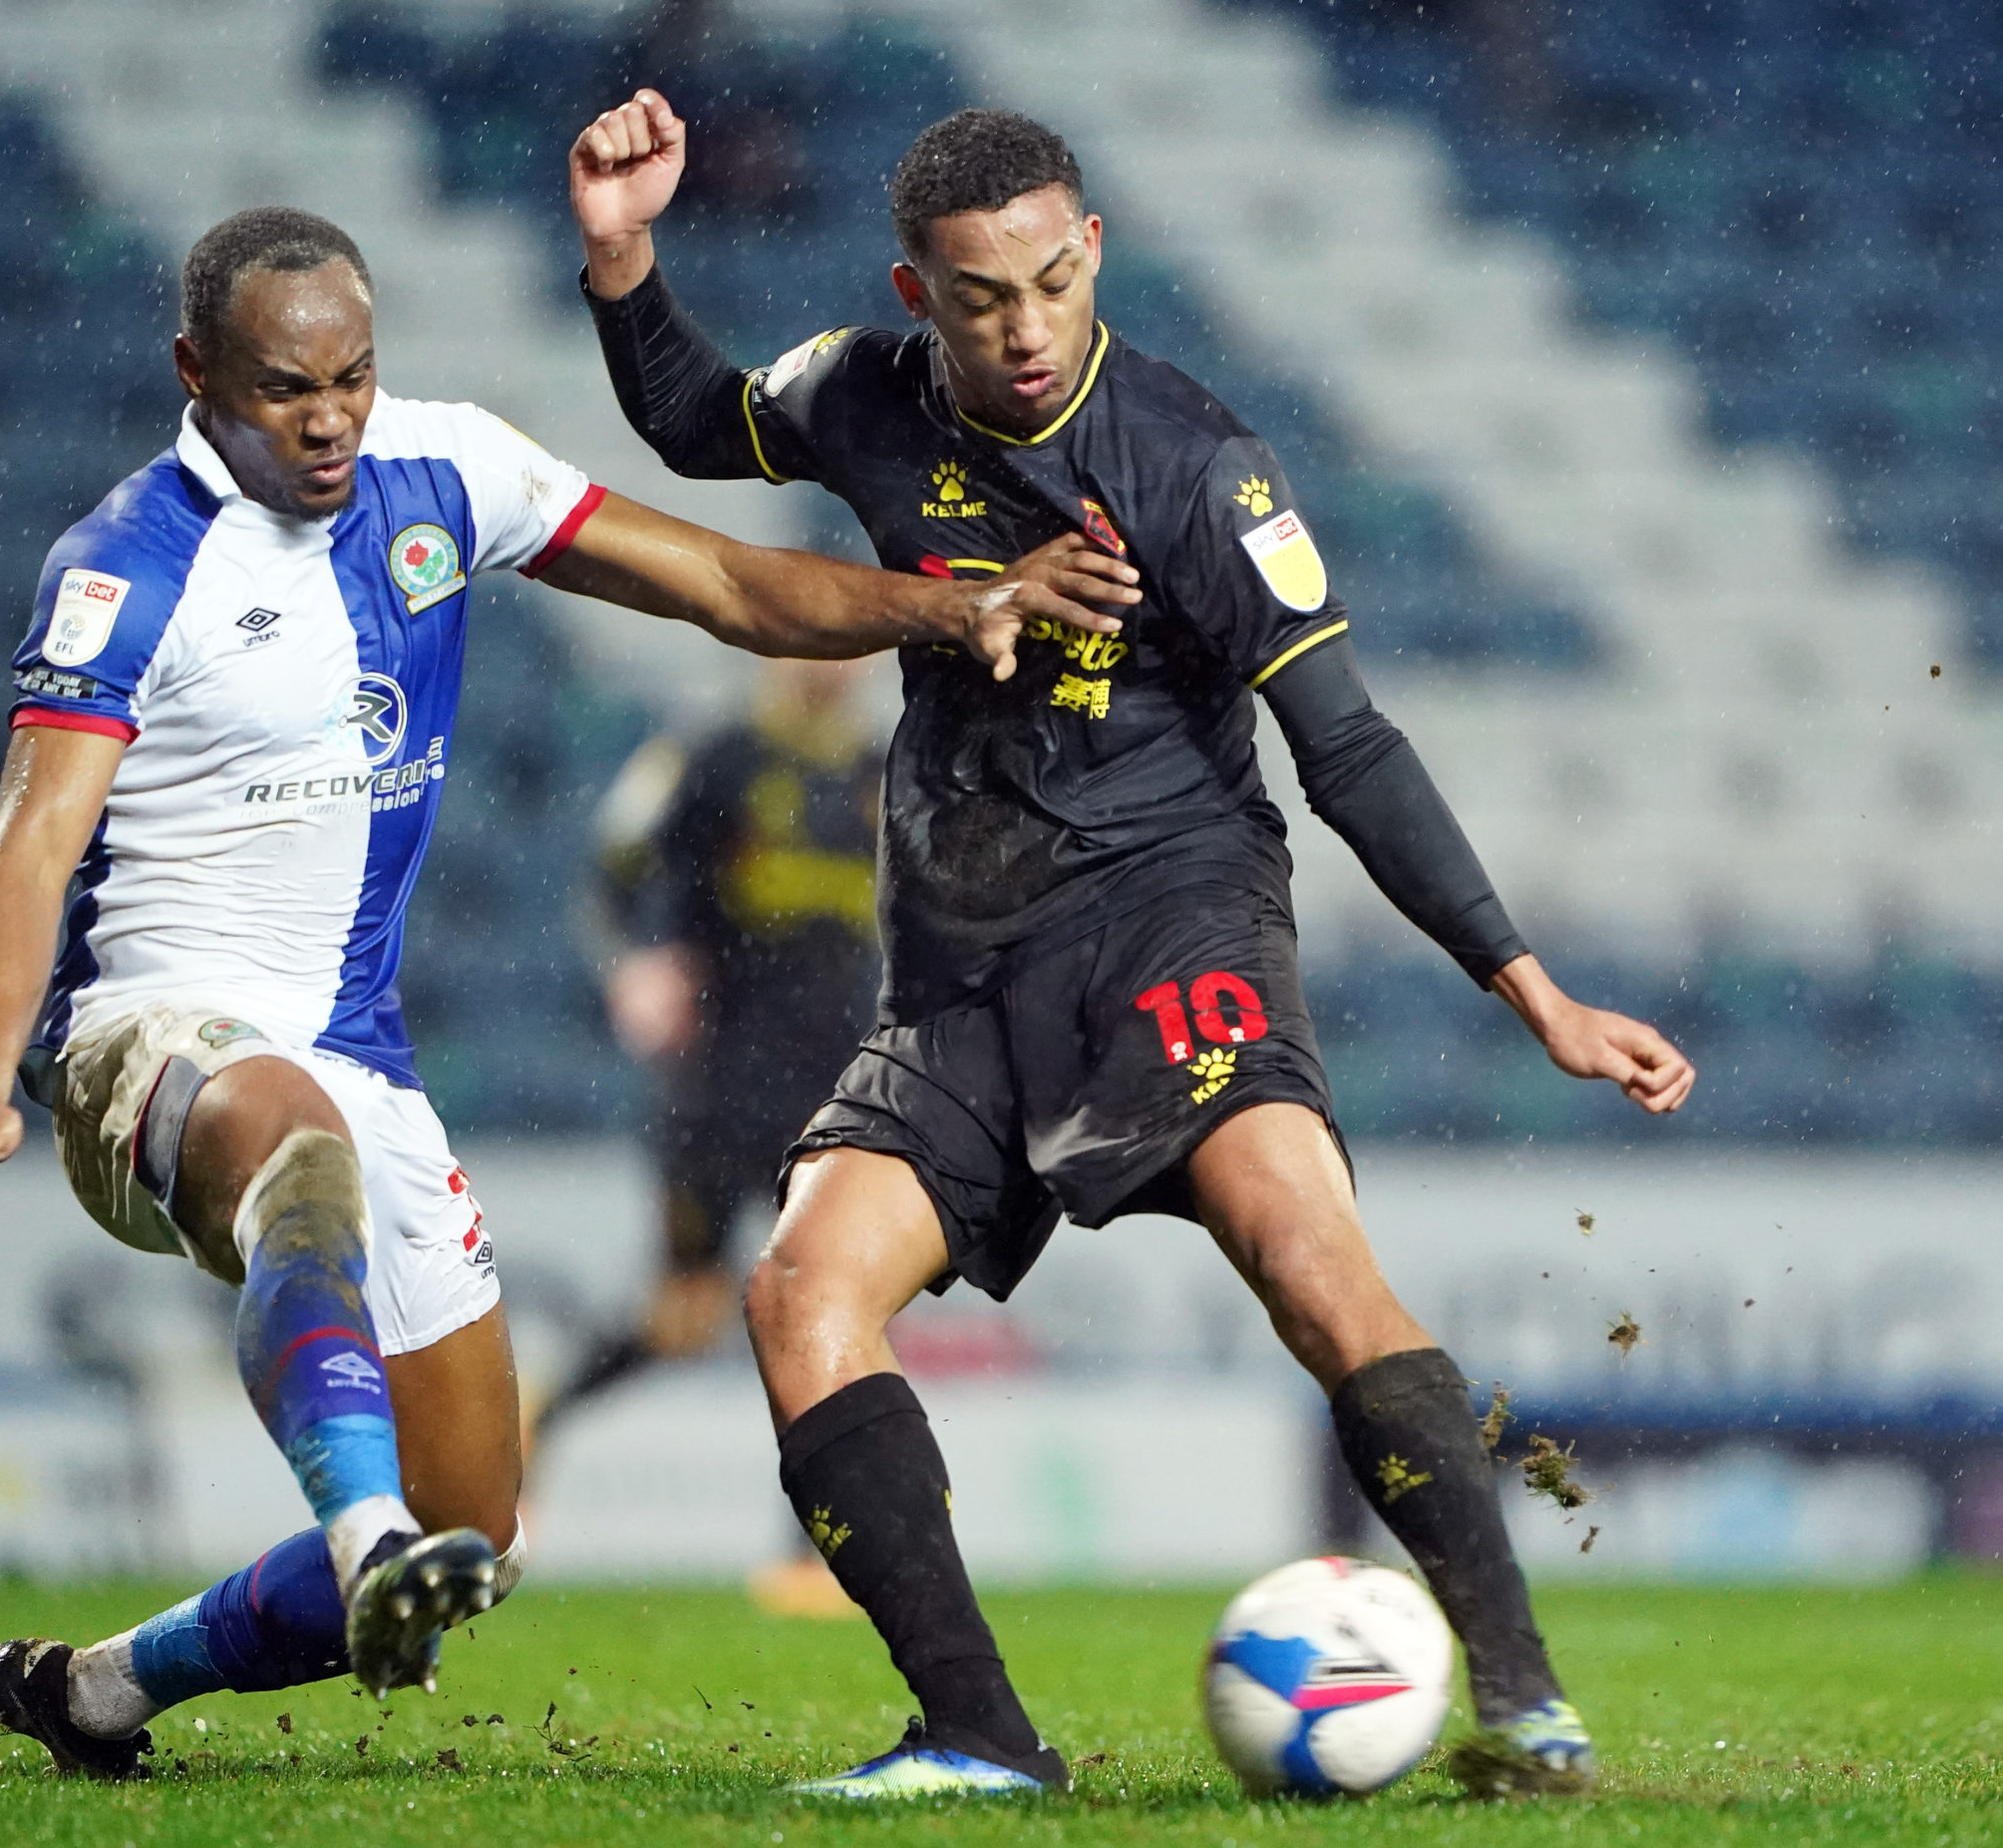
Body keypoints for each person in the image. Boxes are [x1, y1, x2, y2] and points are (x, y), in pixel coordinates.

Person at [0, 204, 1137, 1781]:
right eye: (288, 389)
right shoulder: (128, 563)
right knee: (299, 1159)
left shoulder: (445, 470)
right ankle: (359, 1537)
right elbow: (32, 843)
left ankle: (103, 1686)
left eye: (353, 373)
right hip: (151, 1033)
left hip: (358, 1057)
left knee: (473, 1524)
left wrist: (951, 601)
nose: (332, 415)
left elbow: (716, 577)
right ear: (195, 375)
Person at [570, 94, 1696, 1799]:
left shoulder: (1195, 463)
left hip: (1173, 924)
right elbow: (693, 413)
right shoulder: (861, 395)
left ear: (1090, 249)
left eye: (1047, 281)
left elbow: (1352, 747)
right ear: (916, 290)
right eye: (978, 296)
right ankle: (978, 1734)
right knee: (800, 1287)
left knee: (1307, 1254)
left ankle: (1529, 1704)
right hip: (958, 966)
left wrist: (1527, 981)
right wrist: (622, 255)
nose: (1023, 329)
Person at [542, 656, 881, 1616]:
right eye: (817, 634)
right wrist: (631, 967)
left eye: (852, 637)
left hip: (838, 1080)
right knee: (685, 1316)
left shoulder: (887, 770)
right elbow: (610, 871)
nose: (835, 659)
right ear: (780, 645)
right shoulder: (711, 755)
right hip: (721, 1075)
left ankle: (812, 1552)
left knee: (828, 1302)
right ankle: (533, 1422)